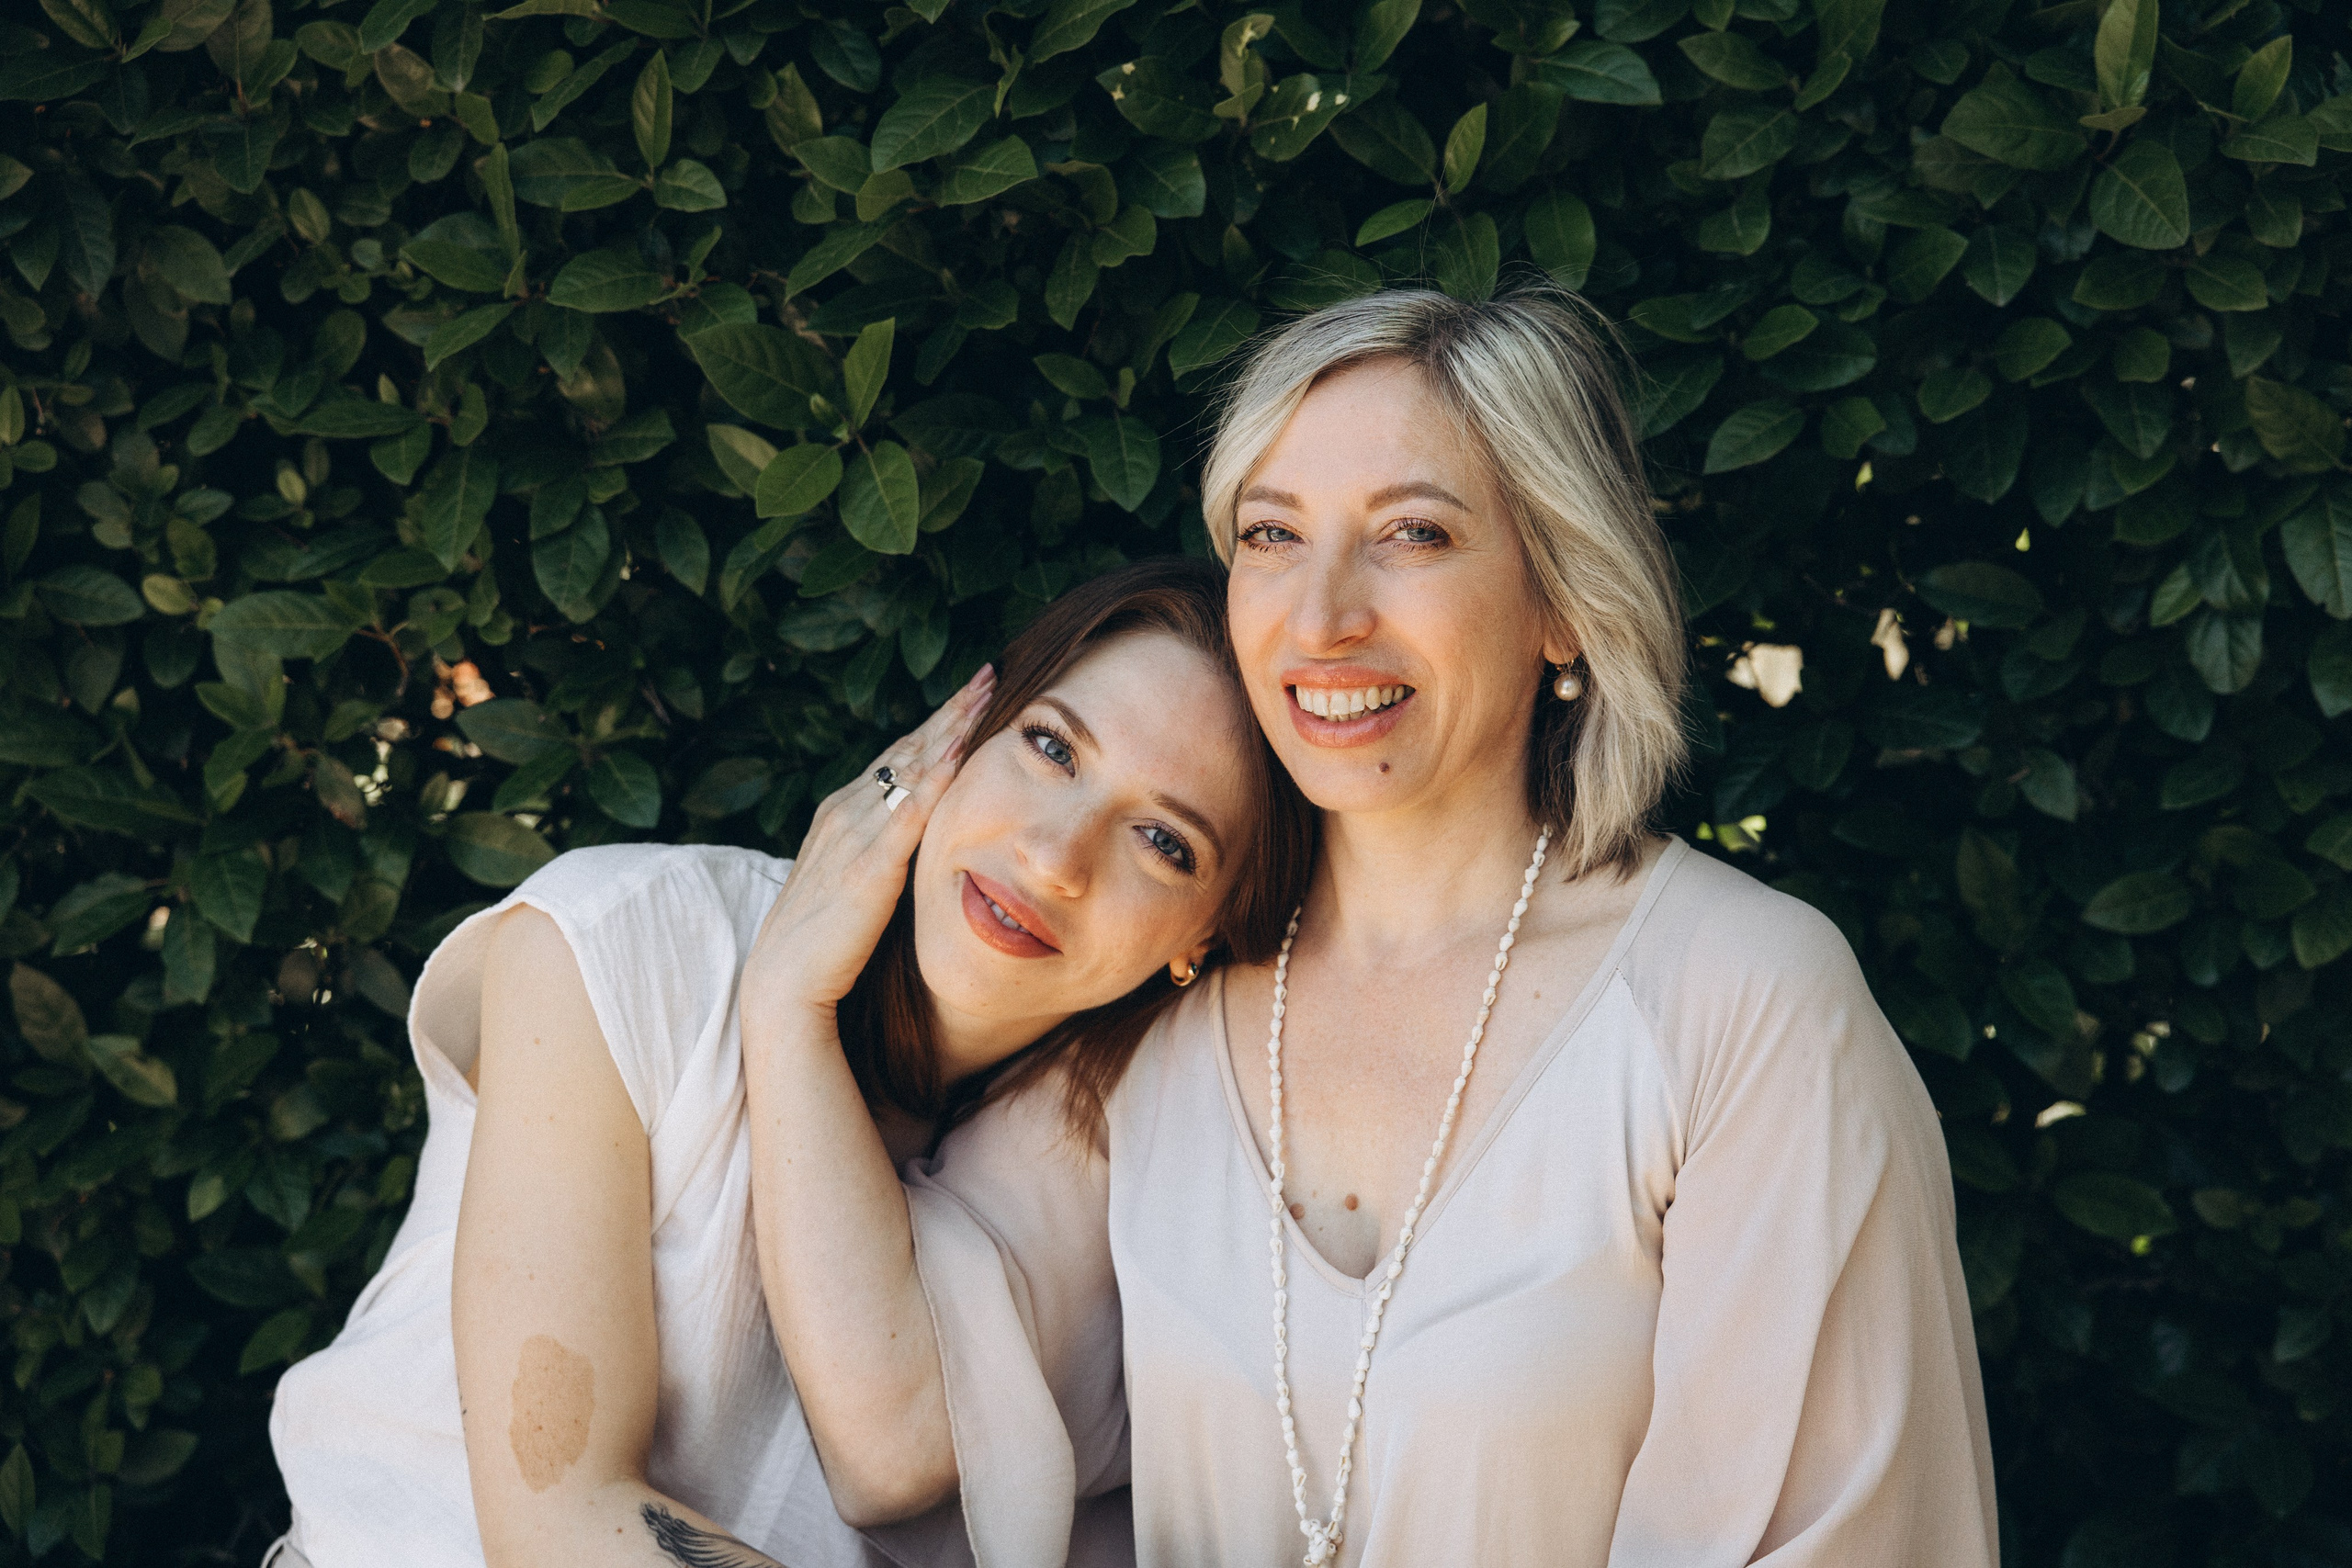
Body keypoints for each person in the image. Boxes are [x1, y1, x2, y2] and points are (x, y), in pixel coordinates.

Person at [756, 288, 2000, 1568]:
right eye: (1272, 533)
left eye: (1412, 532)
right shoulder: (1175, 997)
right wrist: (786, 1006)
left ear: (1562, 601)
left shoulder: (1741, 1001)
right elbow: (898, 1427)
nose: (1321, 615)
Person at [264, 558, 1312, 1568]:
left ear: (1206, 940)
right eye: (1049, 746)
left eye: (1164, 842)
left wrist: (792, 1017)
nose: (1053, 856)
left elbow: (904, 1459)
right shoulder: (641, 939)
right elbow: (560, 1525)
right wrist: (781, 995)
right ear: (963, 734)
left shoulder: (1121, 1178)